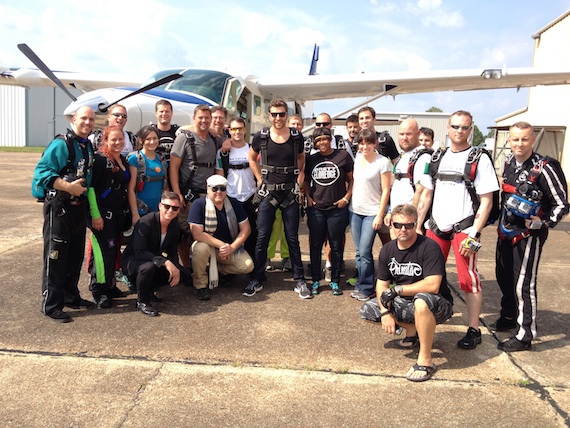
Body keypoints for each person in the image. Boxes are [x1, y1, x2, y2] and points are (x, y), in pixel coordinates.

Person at [423, 110, 500, 350]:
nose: (459, 131)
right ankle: (427, 320)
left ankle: (474, 329)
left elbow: (486, 201)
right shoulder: (436, 157)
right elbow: (426, 193)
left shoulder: (480, 158)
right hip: (435, 226)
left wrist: (475, 232)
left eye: (465, 127)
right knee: (429, 278)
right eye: (455, 126)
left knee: (469, 280)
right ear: (448, 128)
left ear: (471, 129)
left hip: (464, 229)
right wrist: (416, 228)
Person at [495, 122, 569, 351]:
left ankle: (525, 334)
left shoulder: (545, 167)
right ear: (509, 140)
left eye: (524, 139)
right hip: (505, 230)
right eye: (515, 139)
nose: (519, 144)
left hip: (528, 235)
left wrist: (542, 222)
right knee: (503, 275)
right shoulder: (508, 163)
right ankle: (509, 316)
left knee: (523, 284)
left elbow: (561, 204)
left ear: (533, 140)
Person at [360, 204, 453, 382]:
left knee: (421, 300)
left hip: (437, 304)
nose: (403, 229)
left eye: (409, 225)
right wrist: (385, 312)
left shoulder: (429, 247)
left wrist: (399, 289)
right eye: (398, 225)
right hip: (405, 303)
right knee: (368, 310)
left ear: (416, 224)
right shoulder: (388, 249)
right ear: (391, 225)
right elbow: (381, 285)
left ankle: (425, 360)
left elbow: (433, 285)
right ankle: (412, 334)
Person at [33, 106, 96, 322]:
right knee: (56, 256)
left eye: (91, 119)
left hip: (78, 209)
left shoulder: (87, 146)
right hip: (59, 208)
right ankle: (51, 305)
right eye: (84, 118)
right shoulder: (62, 144)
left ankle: (70, 296)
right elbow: (42, 172)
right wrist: (67, 187)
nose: (88, 123)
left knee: (75, 256)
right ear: (73, 119)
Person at [244, 99, 310, 299]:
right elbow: (251, 158)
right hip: (268, 193)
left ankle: (299, 280)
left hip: (289, 193)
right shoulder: (261, 137)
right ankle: (257, 277)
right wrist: (259, 179)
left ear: (287, 115)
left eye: (282, 114)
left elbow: (301, 159)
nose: (278, 118)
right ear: (269, 116)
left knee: (292, 238)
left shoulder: (296, 137)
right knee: (262, 237)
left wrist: (298, 183)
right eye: (274, 114)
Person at [170, 104, 224, 268]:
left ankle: (206, 267)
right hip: (189, 195)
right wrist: (177, 193)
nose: (204, 121)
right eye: (200, 117)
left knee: (208, 232)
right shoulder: (184, 138)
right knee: (185, 233)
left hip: (209, 195)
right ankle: (187, 269)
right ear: (194, 118)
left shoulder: (214, 139)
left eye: (207, 117)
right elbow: (173, 167)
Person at [121, 191, 191, 316]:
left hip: (153, 260)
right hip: (133, 261)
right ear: (160, 206)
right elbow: (140, 252)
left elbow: (172, 252)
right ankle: (142, 301)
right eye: (167, 206)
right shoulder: (145, 222)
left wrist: (175, 268)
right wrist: (165, 262)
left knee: (184, 274)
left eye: (175, 208)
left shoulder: (175, 227)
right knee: (149, 267)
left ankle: (148, 287)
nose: (170, 210)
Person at [304, 127, 353, 296]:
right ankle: (316, 280)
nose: (321, 143)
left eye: (324, 139)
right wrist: (308, 198)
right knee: (315, 245)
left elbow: (352, 180)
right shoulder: (311, 159)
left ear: (330, 139)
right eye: (318, 141)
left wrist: (346, 198)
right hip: (316, 208)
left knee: (336, 246)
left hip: (336, 209)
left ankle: (335, 281)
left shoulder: (342, 156)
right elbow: (306, 180)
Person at [188, 175, 254, 299]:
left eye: (222, 188)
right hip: (208, 247)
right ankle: (200, 285)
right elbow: (197, 234)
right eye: (215, 188)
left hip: (227, 250)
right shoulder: (198, 204)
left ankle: (218, 270)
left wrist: (232, 248)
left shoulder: (234, 204)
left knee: (247, 265)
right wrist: (222, 245)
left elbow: (246, 229)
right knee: (200, 248)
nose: (219, 192)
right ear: (207, 188)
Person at [86, 126, 130, 308]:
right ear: (105, 140)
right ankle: (99, 290)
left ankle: (109, 285)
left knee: (113, 251)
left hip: (117, 215)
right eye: (113, 139)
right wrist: (96, 216)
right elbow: (90, 189)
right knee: (103, 253)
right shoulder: (100, 160)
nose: (118, 142)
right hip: (103, 215)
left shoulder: (123, 160)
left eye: (120, 139)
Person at [349, 128, 391, 301]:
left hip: (372, 212)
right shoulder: (358, 158)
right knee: (359, 252)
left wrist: (380, 215)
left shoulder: (383, 162)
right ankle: (361, 283)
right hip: (354, 211)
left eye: (368, 142)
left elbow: (386, 190)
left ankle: (367, 288)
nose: (364, 146)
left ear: (375, 143)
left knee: (365, 251)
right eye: (361, 143)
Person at [215, 116, 258, 258]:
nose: (237, 132)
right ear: (229, 130)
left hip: (250, 197)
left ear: (245, 130)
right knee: (229, 233)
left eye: (240, 128)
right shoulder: (222, 152)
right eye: (234, 129)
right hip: (231, 198)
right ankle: (229, 269)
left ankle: (253, 268)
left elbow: (260, 172)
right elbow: (220, 176)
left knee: (252, 232)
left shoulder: (253, 150)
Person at [357, 106, 399, 244]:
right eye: (361, 118)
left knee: (386, 237)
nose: (364, 121)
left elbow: (397, 164)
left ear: (374, 119)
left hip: (382, 199)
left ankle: (389, 263)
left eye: (367, 117)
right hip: (363, 199)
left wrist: (394, 186)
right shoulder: (355, 142)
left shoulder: (385, 139)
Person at [385, 118, 432, 234]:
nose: (404, 138)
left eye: (408, 134)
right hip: (398, 220)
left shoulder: (423, 158)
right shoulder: (403, 157)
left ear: (418, 134)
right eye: (401, 134)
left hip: (408, 225)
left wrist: (415, 225)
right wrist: (391, 212)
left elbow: (422, 192)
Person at [127, 126, 168, 226]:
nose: (152, 142)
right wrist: (135, 214)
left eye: (155, 138)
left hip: (158, 211)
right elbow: (131, 189)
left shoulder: (161, 159)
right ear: (141, 140)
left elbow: (165, 186)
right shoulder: (135, 159)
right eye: (148, 139)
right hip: (141, 210)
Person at [152, 99, 179, 164]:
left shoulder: (178, 132)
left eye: (167, 111)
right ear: (156, 113)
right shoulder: (149, 132)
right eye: (161, 111)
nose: (164, 114)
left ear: (171, 113)